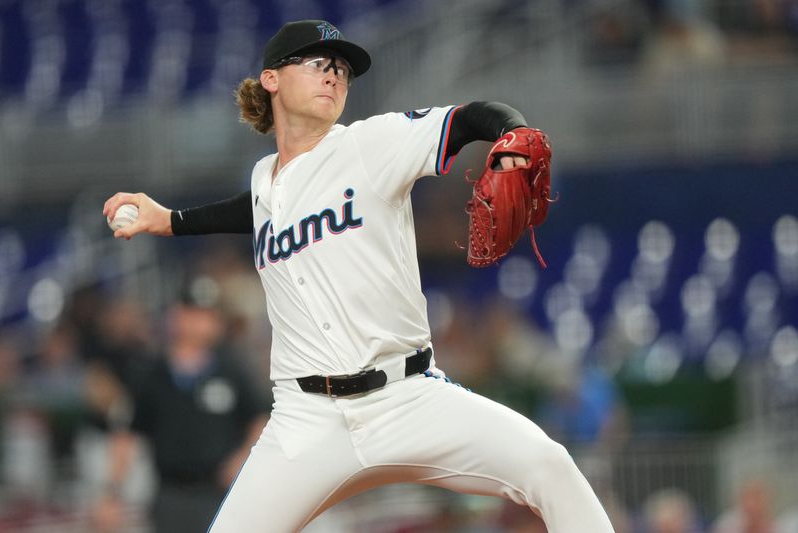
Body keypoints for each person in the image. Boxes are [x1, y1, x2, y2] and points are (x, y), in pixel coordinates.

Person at [103, 19, 615, 533]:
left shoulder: (372, 144)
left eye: (342, 70)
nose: (334, 76)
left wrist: (511, 133)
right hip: (306, 422)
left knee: (550, 466)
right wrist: (168, 220)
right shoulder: (264, 181)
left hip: (408, 398)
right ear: (272, 80)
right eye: (318, 64)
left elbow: (470, 118)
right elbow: (254, 209)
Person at [93, 286, 270, 532]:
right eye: (191, 313)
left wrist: (243, 459)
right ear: (175, 316)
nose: (199, 323)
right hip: (170, 493)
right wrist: (112, 493)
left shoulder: (232, 368)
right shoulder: (151, 372)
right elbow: (127, 435)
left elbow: (260, 418)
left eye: (207, 315)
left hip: (221, 491)